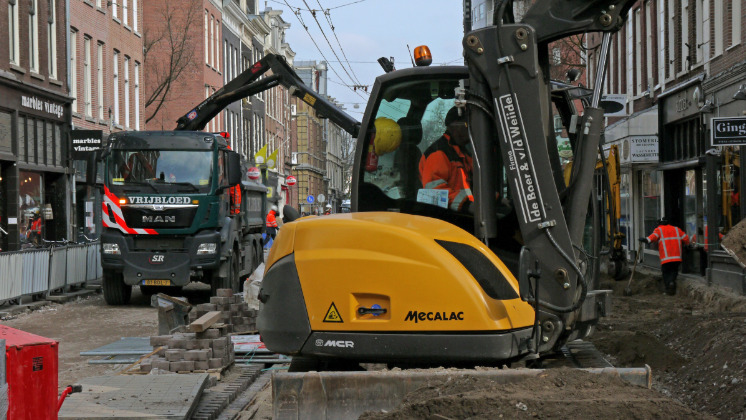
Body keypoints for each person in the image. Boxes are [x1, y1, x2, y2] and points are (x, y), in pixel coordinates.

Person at [419, 107, 473, 212]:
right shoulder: (438, 154)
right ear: (453, 127)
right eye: (467, 125)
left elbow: (477, 184)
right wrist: (468, 205)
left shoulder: (463, 154)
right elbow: (434, 192)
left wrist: (497, 199)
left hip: (463, 212)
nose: (471, 129)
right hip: (448, 217)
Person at [639, 217, 689, 295]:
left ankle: (668, 289)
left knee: (666, 273)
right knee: (674, 271)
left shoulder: (659, 230)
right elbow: (686, 239)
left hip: (666, 258)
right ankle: (672, 282)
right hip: (677, 257)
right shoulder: (676, 229)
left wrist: (644, 240)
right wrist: (687, 245)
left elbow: (650, 239)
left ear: (659, 223)